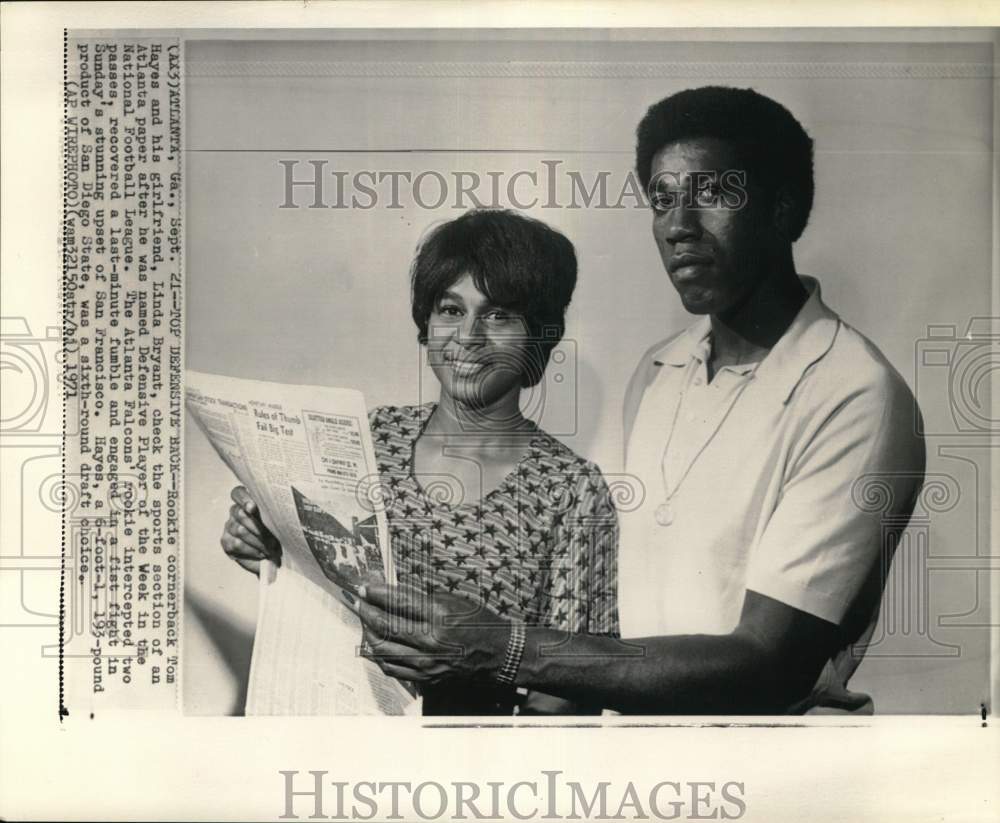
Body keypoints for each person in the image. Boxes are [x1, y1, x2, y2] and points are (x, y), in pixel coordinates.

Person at [351, 86, 926, 714]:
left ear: (784, 209)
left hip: (762, 773)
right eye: (662, 200)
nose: (679, 226)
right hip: (633, 763)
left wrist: (505, 648)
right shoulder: (659, 371)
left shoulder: (855, 393)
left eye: (711, 194)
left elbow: (769, 662)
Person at [221, 208, 619, 715]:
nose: (469, 336)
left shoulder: (573, 488)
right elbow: (318, 592)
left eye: (499, 315)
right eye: (451, 310)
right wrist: (263, 547)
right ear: (426, 323)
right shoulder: (365, 437)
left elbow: (577, 687)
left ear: (540, 334)